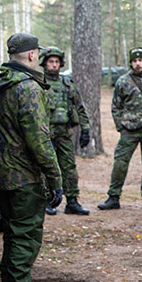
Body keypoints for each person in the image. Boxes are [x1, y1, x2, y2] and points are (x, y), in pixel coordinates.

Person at [0, 32, 61, 282]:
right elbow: (39, 140)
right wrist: (55, 178)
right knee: (24, 240)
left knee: (13, 237)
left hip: (2, 175)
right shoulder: (28, 88)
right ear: (33, 55)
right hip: (25, 179)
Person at [98, 47, 142, 212]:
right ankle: (113, 197)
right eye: (134, 61)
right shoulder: (123, 81)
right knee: (120, 163)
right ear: (131, 63)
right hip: (129, 130)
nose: (138, 64)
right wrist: (120, 125)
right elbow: (116, 106)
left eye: (140, 60)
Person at [41, 46, 91, 216]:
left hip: (64, 133)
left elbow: (80, 107)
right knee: (47, 167)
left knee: (69, 167)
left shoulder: (67, 83)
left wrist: (85, 129)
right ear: (44, 63)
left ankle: (72, 201)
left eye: (56, 62)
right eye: (50, 62)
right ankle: (48, 200)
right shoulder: (38, 83)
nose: (54, 65)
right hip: (45, 133)